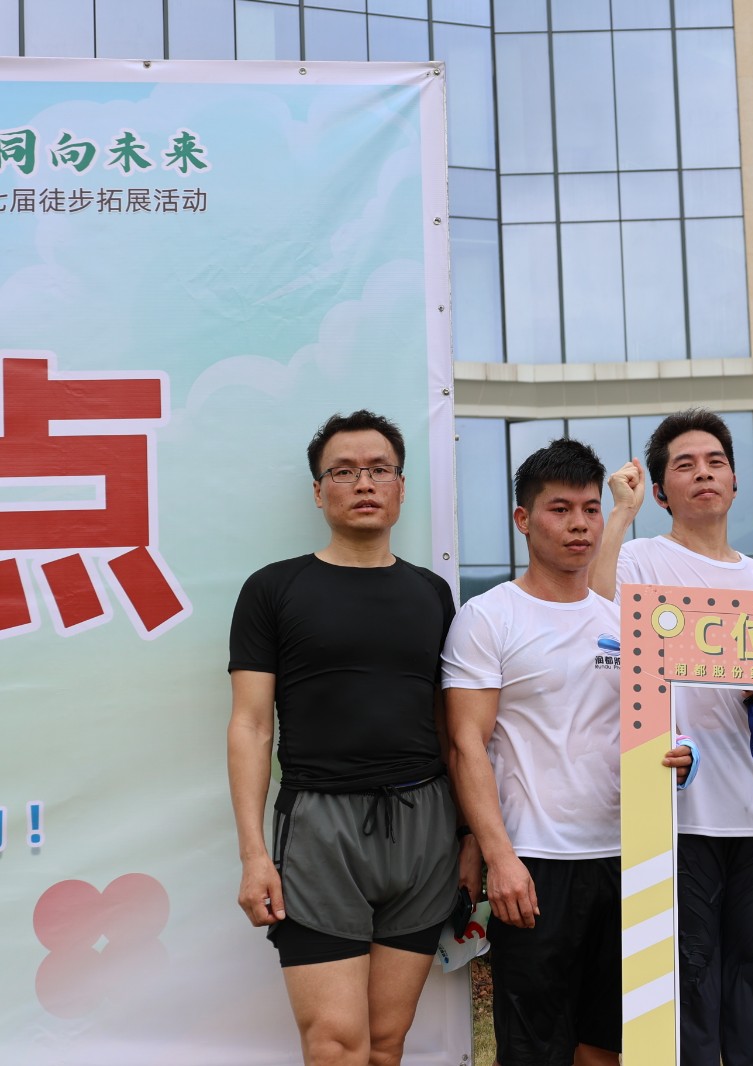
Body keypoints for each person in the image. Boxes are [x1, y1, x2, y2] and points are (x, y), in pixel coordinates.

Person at [442, 438, 690, 1066]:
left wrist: (678, 754)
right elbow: (466, 745)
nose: (579, 524)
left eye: (589, 509)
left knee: (607, 1046)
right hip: (535, 863)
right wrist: (499, 858)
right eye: (560, 509)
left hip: (628, 858)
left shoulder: (626, 621)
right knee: (535, 1049)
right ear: (523, 519)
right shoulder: (488, 618)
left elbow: (654, 732)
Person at [227, 410, 464, 1066]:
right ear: (318, 490)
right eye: (344, 472)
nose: (364, 483)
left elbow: (451, 728)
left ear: (401, 486)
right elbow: (250, 724)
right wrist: (253, 855)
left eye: (379, 470)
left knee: (385, 1045)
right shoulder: (272, 589)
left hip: (424, 827)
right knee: (335, 1044)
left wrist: (469, 837)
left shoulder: (432, 594)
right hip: (318, 828)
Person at [589, 409, 753, 1066]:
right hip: (679, 811)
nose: (704, 474)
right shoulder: (640, 559)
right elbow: (594, 613)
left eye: (716, 462)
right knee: (691, 974)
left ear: (734, 482)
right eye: (685, 465)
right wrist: (620, 514)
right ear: (661, 490)